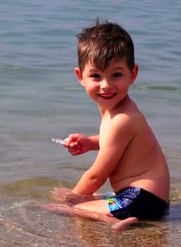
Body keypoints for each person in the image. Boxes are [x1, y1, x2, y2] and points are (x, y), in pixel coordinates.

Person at [44, 19, 170, 232]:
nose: (106, 85)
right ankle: (115, 214)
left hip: (141, 201)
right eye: (96, 76)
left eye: (116, 75)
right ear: (80, 76)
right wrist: (90, 142)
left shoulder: (122, 119)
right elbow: (119, 144)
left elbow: (96, 175)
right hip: (143, 199)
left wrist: (73, 200)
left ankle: (111, 219)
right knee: (66, 194)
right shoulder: (120, 111)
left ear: (133, 74)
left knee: (61, 206)